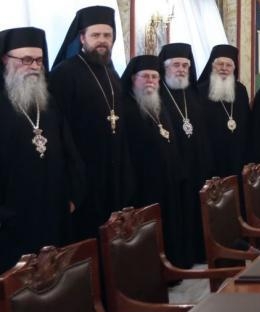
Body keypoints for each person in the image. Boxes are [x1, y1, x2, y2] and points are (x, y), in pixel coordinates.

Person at [0, 27, 84, 271]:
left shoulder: (48, 102)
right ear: (5, 59)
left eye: (39, 60)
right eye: (26, 60)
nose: (34, 66)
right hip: (12, 218)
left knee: (55, 279)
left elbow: (70, 150)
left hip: (54, 209)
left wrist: (74, 194)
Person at [49, 5, 133, 239]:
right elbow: (59, 132)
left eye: (107, 35)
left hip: (113, 174)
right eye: (95, 35)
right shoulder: (63, 74)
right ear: (82, 38)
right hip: (84, 175)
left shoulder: (112, 74)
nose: (102, 40)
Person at [120, 55, 195, 268]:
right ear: (133, 79)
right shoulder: (126, 108)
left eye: (154, 77)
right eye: (145, 76)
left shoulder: (159, 105)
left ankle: (173, 268)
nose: (150, 81)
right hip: (143, 185)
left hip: (167, 182)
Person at [158, 42, 214, 264]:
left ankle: (198, 254)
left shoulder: (193, 94)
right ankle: (179, 260)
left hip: (197, 167)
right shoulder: (158, 95)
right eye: (176, 65)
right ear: (165, 67)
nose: (181, 69)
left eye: (185, 65)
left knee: (195, 211)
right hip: (174, 167)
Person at [196, 44, 251, 177]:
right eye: (220, 64)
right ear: (213, 66)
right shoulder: (200, 91)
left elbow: (248, 124)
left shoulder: (241, 91)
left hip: (237, 157)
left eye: (229, 65)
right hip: (211, 157)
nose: (224, 68)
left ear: (234, 68)